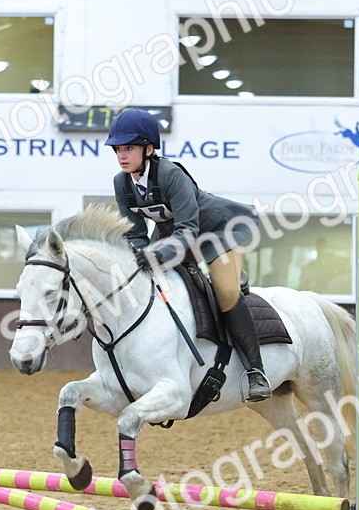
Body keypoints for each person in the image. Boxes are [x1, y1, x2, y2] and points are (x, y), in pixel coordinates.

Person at [107, 108, 272, 402]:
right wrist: (141, 254)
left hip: (217, 232)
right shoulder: (122, 183)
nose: (122, 155)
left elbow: (188, 229)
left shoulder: (170, 173)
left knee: (225, 291)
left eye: (129, 148)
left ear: (148, 148)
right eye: (118, 149)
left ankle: (255, 371)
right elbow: (134, 233)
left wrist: (157, 254)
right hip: (173, 236)